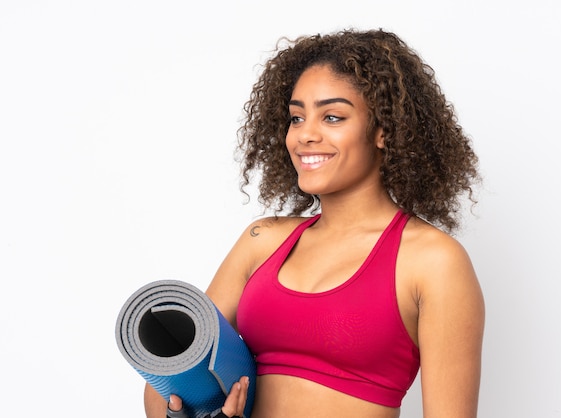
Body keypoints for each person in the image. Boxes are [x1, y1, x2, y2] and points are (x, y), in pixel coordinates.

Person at [144, 28, 485, 418]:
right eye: (296, 117)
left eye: (333, 117)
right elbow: (165, 386)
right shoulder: (263, 240)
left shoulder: (433, 260)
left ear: (383, 131)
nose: (305, 134)